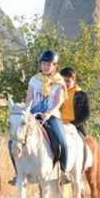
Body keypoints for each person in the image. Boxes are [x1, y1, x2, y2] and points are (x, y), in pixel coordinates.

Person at [26, 50, 71, 184]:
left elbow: (59, 101)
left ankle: (64, 171)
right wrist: (26, 112)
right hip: (34, 114)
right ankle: (18, 172)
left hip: (51, 115)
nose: (46, 66)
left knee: (62, 140)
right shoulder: (34, 80)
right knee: (16, 138)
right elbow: (29, 98)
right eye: (44, 64)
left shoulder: (59, 81)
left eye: (49, 64)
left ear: (54, 66)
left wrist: (49, 113)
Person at [59, 67, 90, 137]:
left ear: (74, 80)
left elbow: (86, 114)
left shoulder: (82, 95)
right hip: (58, 125)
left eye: (68, 81)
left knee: (85, 145)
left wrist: (73, 124)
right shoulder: (55, 93)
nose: (65, 83)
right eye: (63, 80)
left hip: (76, 127)